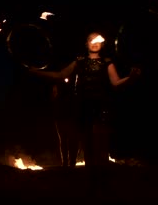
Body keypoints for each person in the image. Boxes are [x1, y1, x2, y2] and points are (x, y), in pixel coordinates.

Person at [29, 31, 141, 194]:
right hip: (83, 109)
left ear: (102, 44)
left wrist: (130, 78)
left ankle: (103, 186)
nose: (95, 42)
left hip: (102, 108)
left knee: (101, 149)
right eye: (91, 39)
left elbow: (116, 83)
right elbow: (60, 75)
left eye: (98, 40)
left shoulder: (107, 62)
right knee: (88, 149)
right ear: (86, 43)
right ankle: (91, 187)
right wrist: (36, 71)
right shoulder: (79, 62)